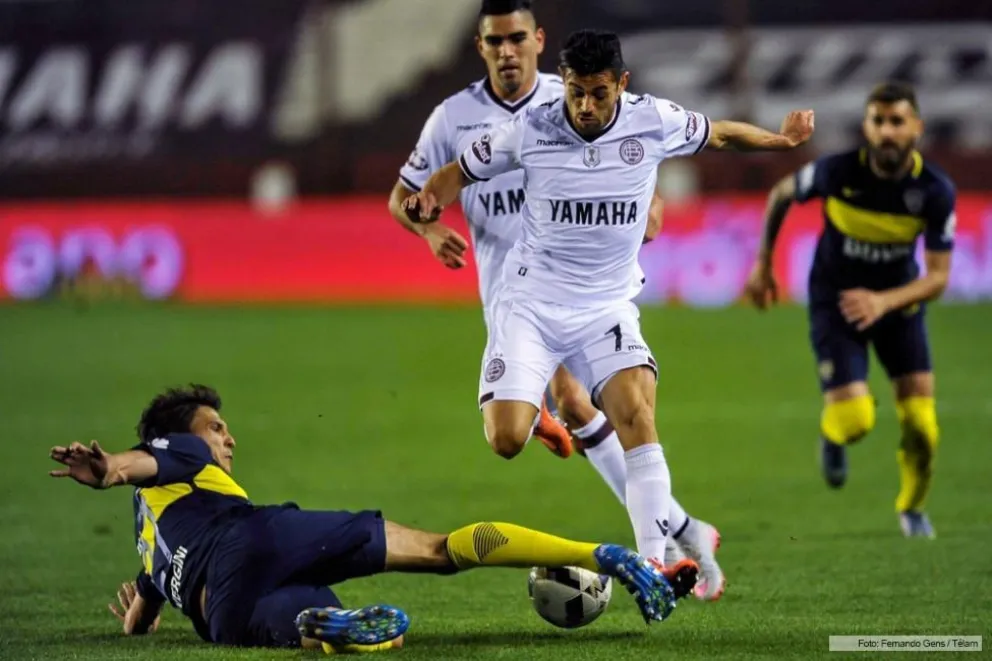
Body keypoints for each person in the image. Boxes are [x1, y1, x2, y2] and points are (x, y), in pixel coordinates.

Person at [401, 30, 813, 575]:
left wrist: (779, 142)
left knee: (637, 416)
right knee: (504, 439)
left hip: (605, 308)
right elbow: (459, 172)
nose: (586, 106)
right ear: (564, 84)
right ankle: (533, 413)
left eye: (598, 93)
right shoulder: (531, 127)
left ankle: (653, 567)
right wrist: (432, 198)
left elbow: (719, 135)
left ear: (621, 83)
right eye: (575, 93)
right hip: (530, 304)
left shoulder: (654, 120)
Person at [48, 384, 697, 654]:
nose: (228, 438)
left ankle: (325, 629)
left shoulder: (150, 525)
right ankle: (604, 553)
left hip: (219, 610)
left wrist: (141, 610)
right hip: (254, 538)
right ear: (180, 434)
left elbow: (145, 603)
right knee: (440, 549)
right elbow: (139, 462)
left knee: (300, 618)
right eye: (218, 426)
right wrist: (107, 469)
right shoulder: (177, 452)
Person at [744, 82, 955, 538]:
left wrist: (883, 301)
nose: (887, 132)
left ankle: (912, 510)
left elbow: (937, 278)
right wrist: (763, 264)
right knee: (857, 419)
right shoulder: (839, 172)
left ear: (916, 127)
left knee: (923, 426)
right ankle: (834, 434)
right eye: (878, 121)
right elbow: (782, 193)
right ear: (866, 126)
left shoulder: (935, 191)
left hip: (898, 305)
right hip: (836, 302)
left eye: (897, 121)